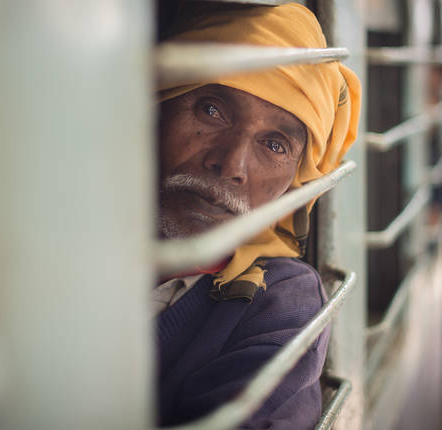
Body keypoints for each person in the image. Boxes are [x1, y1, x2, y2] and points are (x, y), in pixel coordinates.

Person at [153, 3, 361, 429]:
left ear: (296, 182)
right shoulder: (50, 237)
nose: (231, 164)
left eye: (275, 144)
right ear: (157, 106)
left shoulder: (279, 302)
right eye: (211, 110)